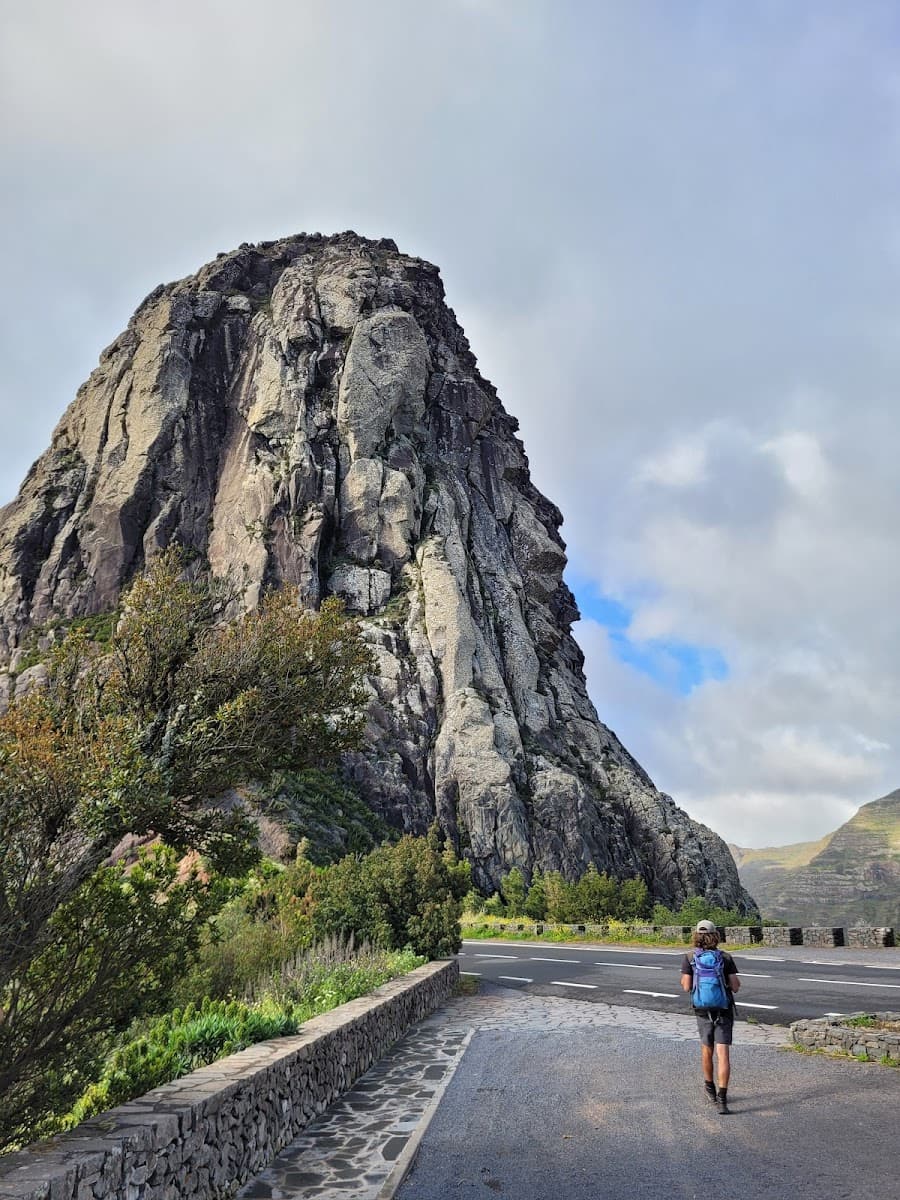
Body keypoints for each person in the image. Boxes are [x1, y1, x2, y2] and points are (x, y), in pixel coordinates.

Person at [680, 919, 741, 1115]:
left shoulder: (689, 957)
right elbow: (736, 986)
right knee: (723, 1054)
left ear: (696, 935)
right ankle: (722, 1100)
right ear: (716, 935)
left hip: (702, 1010)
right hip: (723, 1009)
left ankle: (710, 1089)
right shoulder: (725, 957)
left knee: (707, 1050)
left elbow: (687, 986)